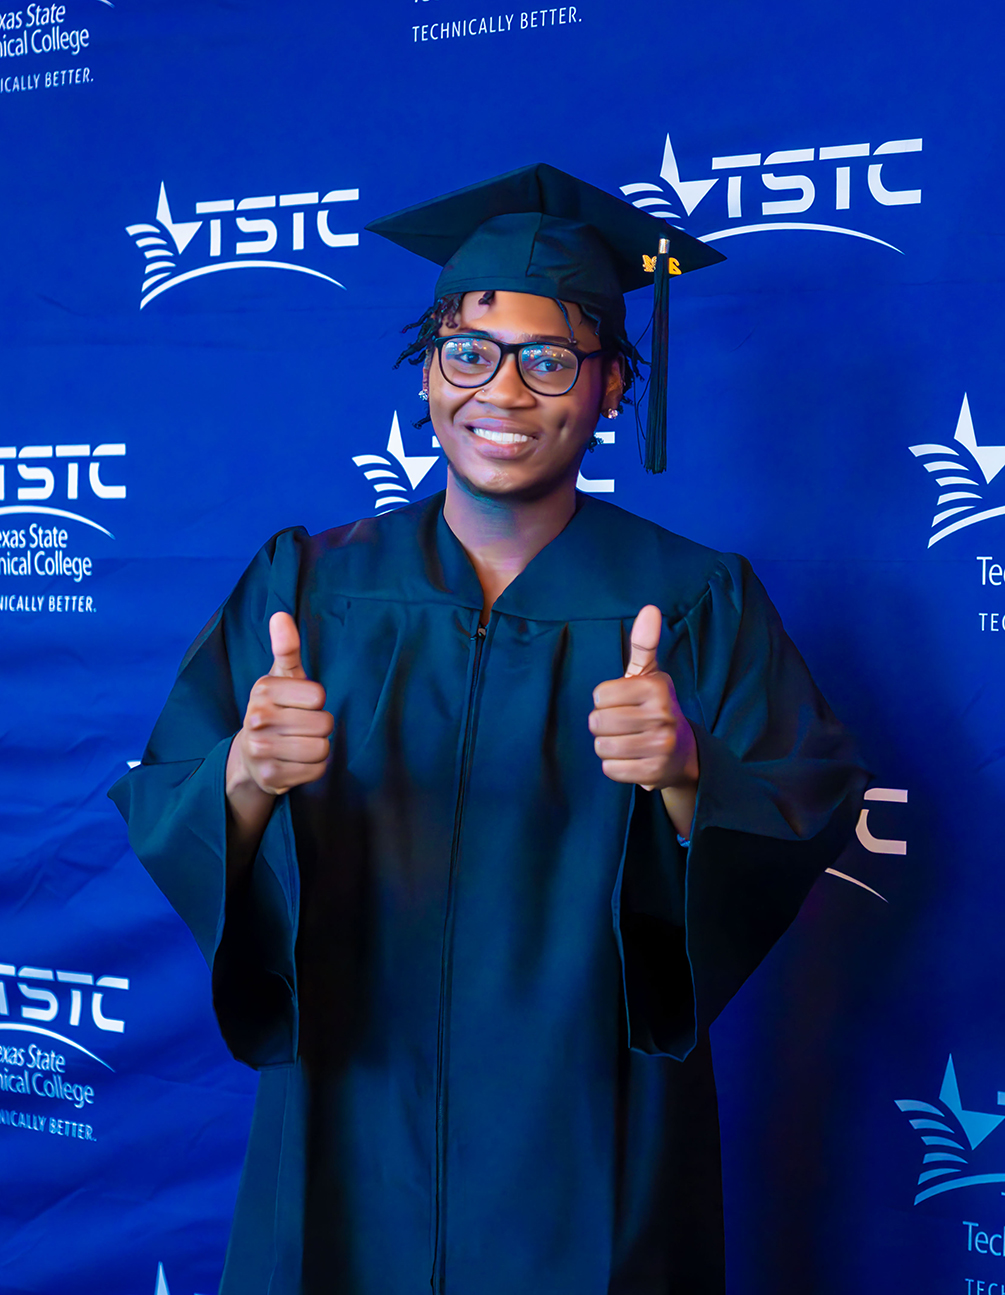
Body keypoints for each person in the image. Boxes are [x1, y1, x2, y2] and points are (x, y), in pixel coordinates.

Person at [109, 164, 867, 1295]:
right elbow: (171, 782)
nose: (501, 391)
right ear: (427, 375)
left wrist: (689, 772)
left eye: (550, 358)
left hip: (587, 1108)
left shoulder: (694, 597)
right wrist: (243, 775)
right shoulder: (310, 585)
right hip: (351, 1094)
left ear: (611, 386)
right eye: (469, 352)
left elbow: (807, 795)